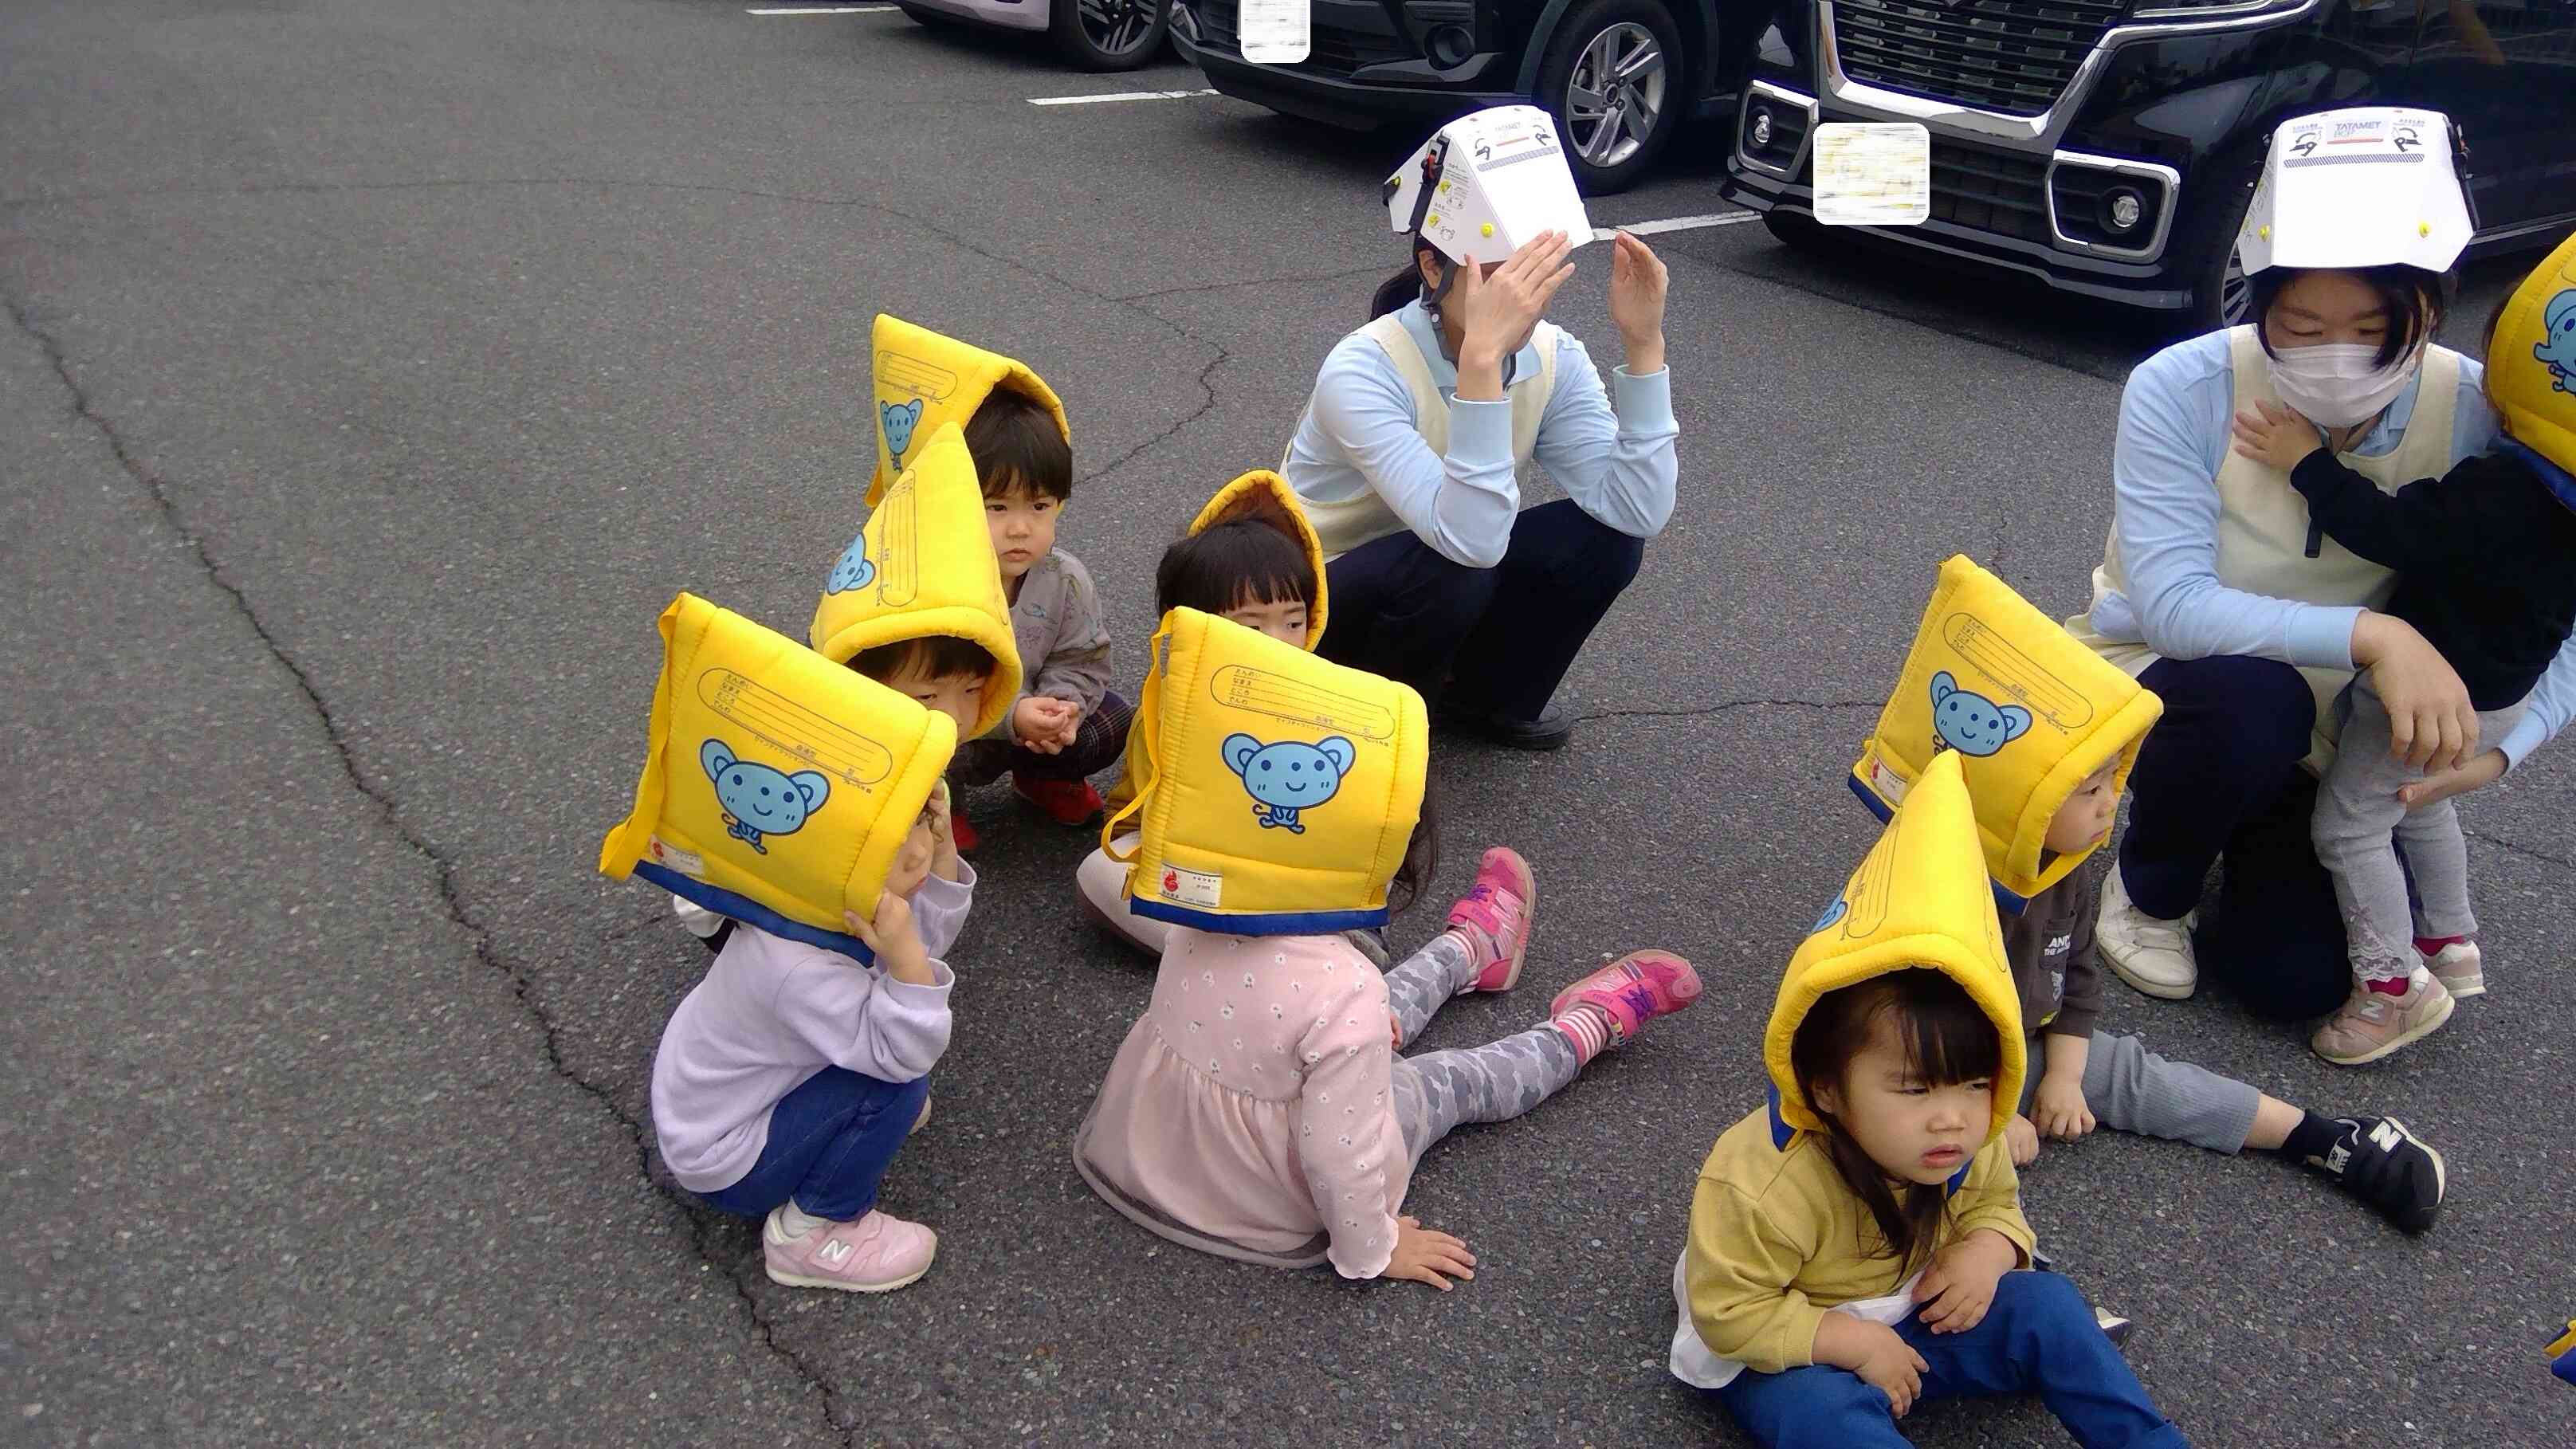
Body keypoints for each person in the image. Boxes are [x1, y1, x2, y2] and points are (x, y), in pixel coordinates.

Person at [2062, 107, 2576, 1020]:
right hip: (2183, 687)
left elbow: (2561, 608)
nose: (2332, 356)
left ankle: (2256, 840)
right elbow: (2175, 607)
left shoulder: (2480, 413)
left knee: (2295, 983)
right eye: (2296, 325)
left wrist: (2504, 750)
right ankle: (2151, 888)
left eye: (2372, 324)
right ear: (2257, 300)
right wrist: (2377, 636)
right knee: (2248, 706)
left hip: (2340, 731)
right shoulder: (2181, 387)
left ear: (2430, 303)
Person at [1074, 611, 1699, 1282]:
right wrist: (1373, 1249)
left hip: (1152, 1152)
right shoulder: (1347, 989)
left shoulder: (1201, 910)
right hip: (1263, 1199)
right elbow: (1340, 1152)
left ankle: (1473, 950)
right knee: (1456, 1079)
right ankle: (1586, 1023)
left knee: (1361, 1015)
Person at [1852, 556, 2444, 1229]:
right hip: (1928, 1063)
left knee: (2133, 1077)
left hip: (2021, 1042)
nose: (2113, 804)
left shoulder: (2061, 867)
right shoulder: (1943, 882)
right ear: (2022, 799)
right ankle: (2015, 1281)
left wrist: (2065, 1077)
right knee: (1913, 1160)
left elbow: (2073, 981)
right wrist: (1989, 1115)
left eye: (2111, 782)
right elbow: (1900, 1037)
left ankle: (2324, 1137)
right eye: (2091, 790)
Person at [1670, 752, 2185, 1447]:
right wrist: (1849, 1343)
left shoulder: (1975, 1136)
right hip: (1797, 1340)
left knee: (2051, 1308)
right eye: (1913, 1088)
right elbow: (1728, 1310)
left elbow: (1999, 1208)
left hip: (1919, 1313)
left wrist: (1989, 1254)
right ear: (1825, 1087)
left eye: (1976, 1084)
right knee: (1822, 1415)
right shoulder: (1763, 1180)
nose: (1954, 1116)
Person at [2226, 230, 2576, 1062]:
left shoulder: (2500, 489)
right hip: (2498, 698)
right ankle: (2450, 942)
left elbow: (2394, 532)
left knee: (2348, 826)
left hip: (2419, 696)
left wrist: (2307, 462)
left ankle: (2390, 989)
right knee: (2422, 803)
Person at [1282, 105, 1677, 751]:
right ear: (1433, 269)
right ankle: (1365, 729)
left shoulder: (1555, 357)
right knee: (1456, 564)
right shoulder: (1362, 367)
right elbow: (1470, 540)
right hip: (1314, 597)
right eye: (1498, 273)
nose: (1522, 297)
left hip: (1447, 557)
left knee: (1607, 540)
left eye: (1536, 270)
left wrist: (1644, 343)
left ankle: (1485, 699)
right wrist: (1483, 366)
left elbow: (1639, 508)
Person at [650, 792, 967, 1294]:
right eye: (883, 850)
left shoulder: (811, 906)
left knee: (889, 1067)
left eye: (921, 823)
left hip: (720, 1108)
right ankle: (813, 1230)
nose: (917, 853)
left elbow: (919, 949)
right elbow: (907, 1049)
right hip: (730, 1160)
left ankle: (832, 1134)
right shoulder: (796, 968)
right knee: (896, 1086)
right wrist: (905, 953)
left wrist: (944, 850)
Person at [1075, 469, 1353, 960]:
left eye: (1293, 622)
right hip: (1196, 859)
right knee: (1100, 873)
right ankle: (1275, 954)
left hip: (1286, 852)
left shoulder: (1324, 693)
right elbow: (1148, 821)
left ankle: (1272, 949)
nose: (1278, 642)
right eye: (1251, 625)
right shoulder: (1171, 705)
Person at [948, 387, 1133, 842]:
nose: (1020, 527)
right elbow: (922, 690)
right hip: (961, 731)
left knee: (1112, 720)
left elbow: (1081, 658)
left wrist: (1061, 709)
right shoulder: (938, 580)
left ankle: (1043, 778)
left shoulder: (1064, 577)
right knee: (919, 739)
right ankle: (937, 810)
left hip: (1031, 724)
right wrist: (1013, 715)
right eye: (997, 506)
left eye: (1039, 506)